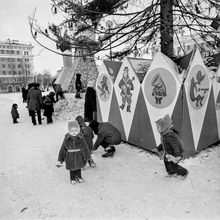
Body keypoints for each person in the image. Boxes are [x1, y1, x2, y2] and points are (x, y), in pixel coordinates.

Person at [56, 120, 91, 184]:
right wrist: (61, 159)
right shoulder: (67, 139)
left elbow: (85, 148)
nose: (74, 132)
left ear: (78, 129)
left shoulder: (81, 138)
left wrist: (87, 156)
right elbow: (63, 149)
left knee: (78, 167)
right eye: (72, 130)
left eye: (75, 130)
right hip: (70, 156)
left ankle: (79, 177)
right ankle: (72, 178)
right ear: (69, 131)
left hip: (79, 155)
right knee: (72, 168)